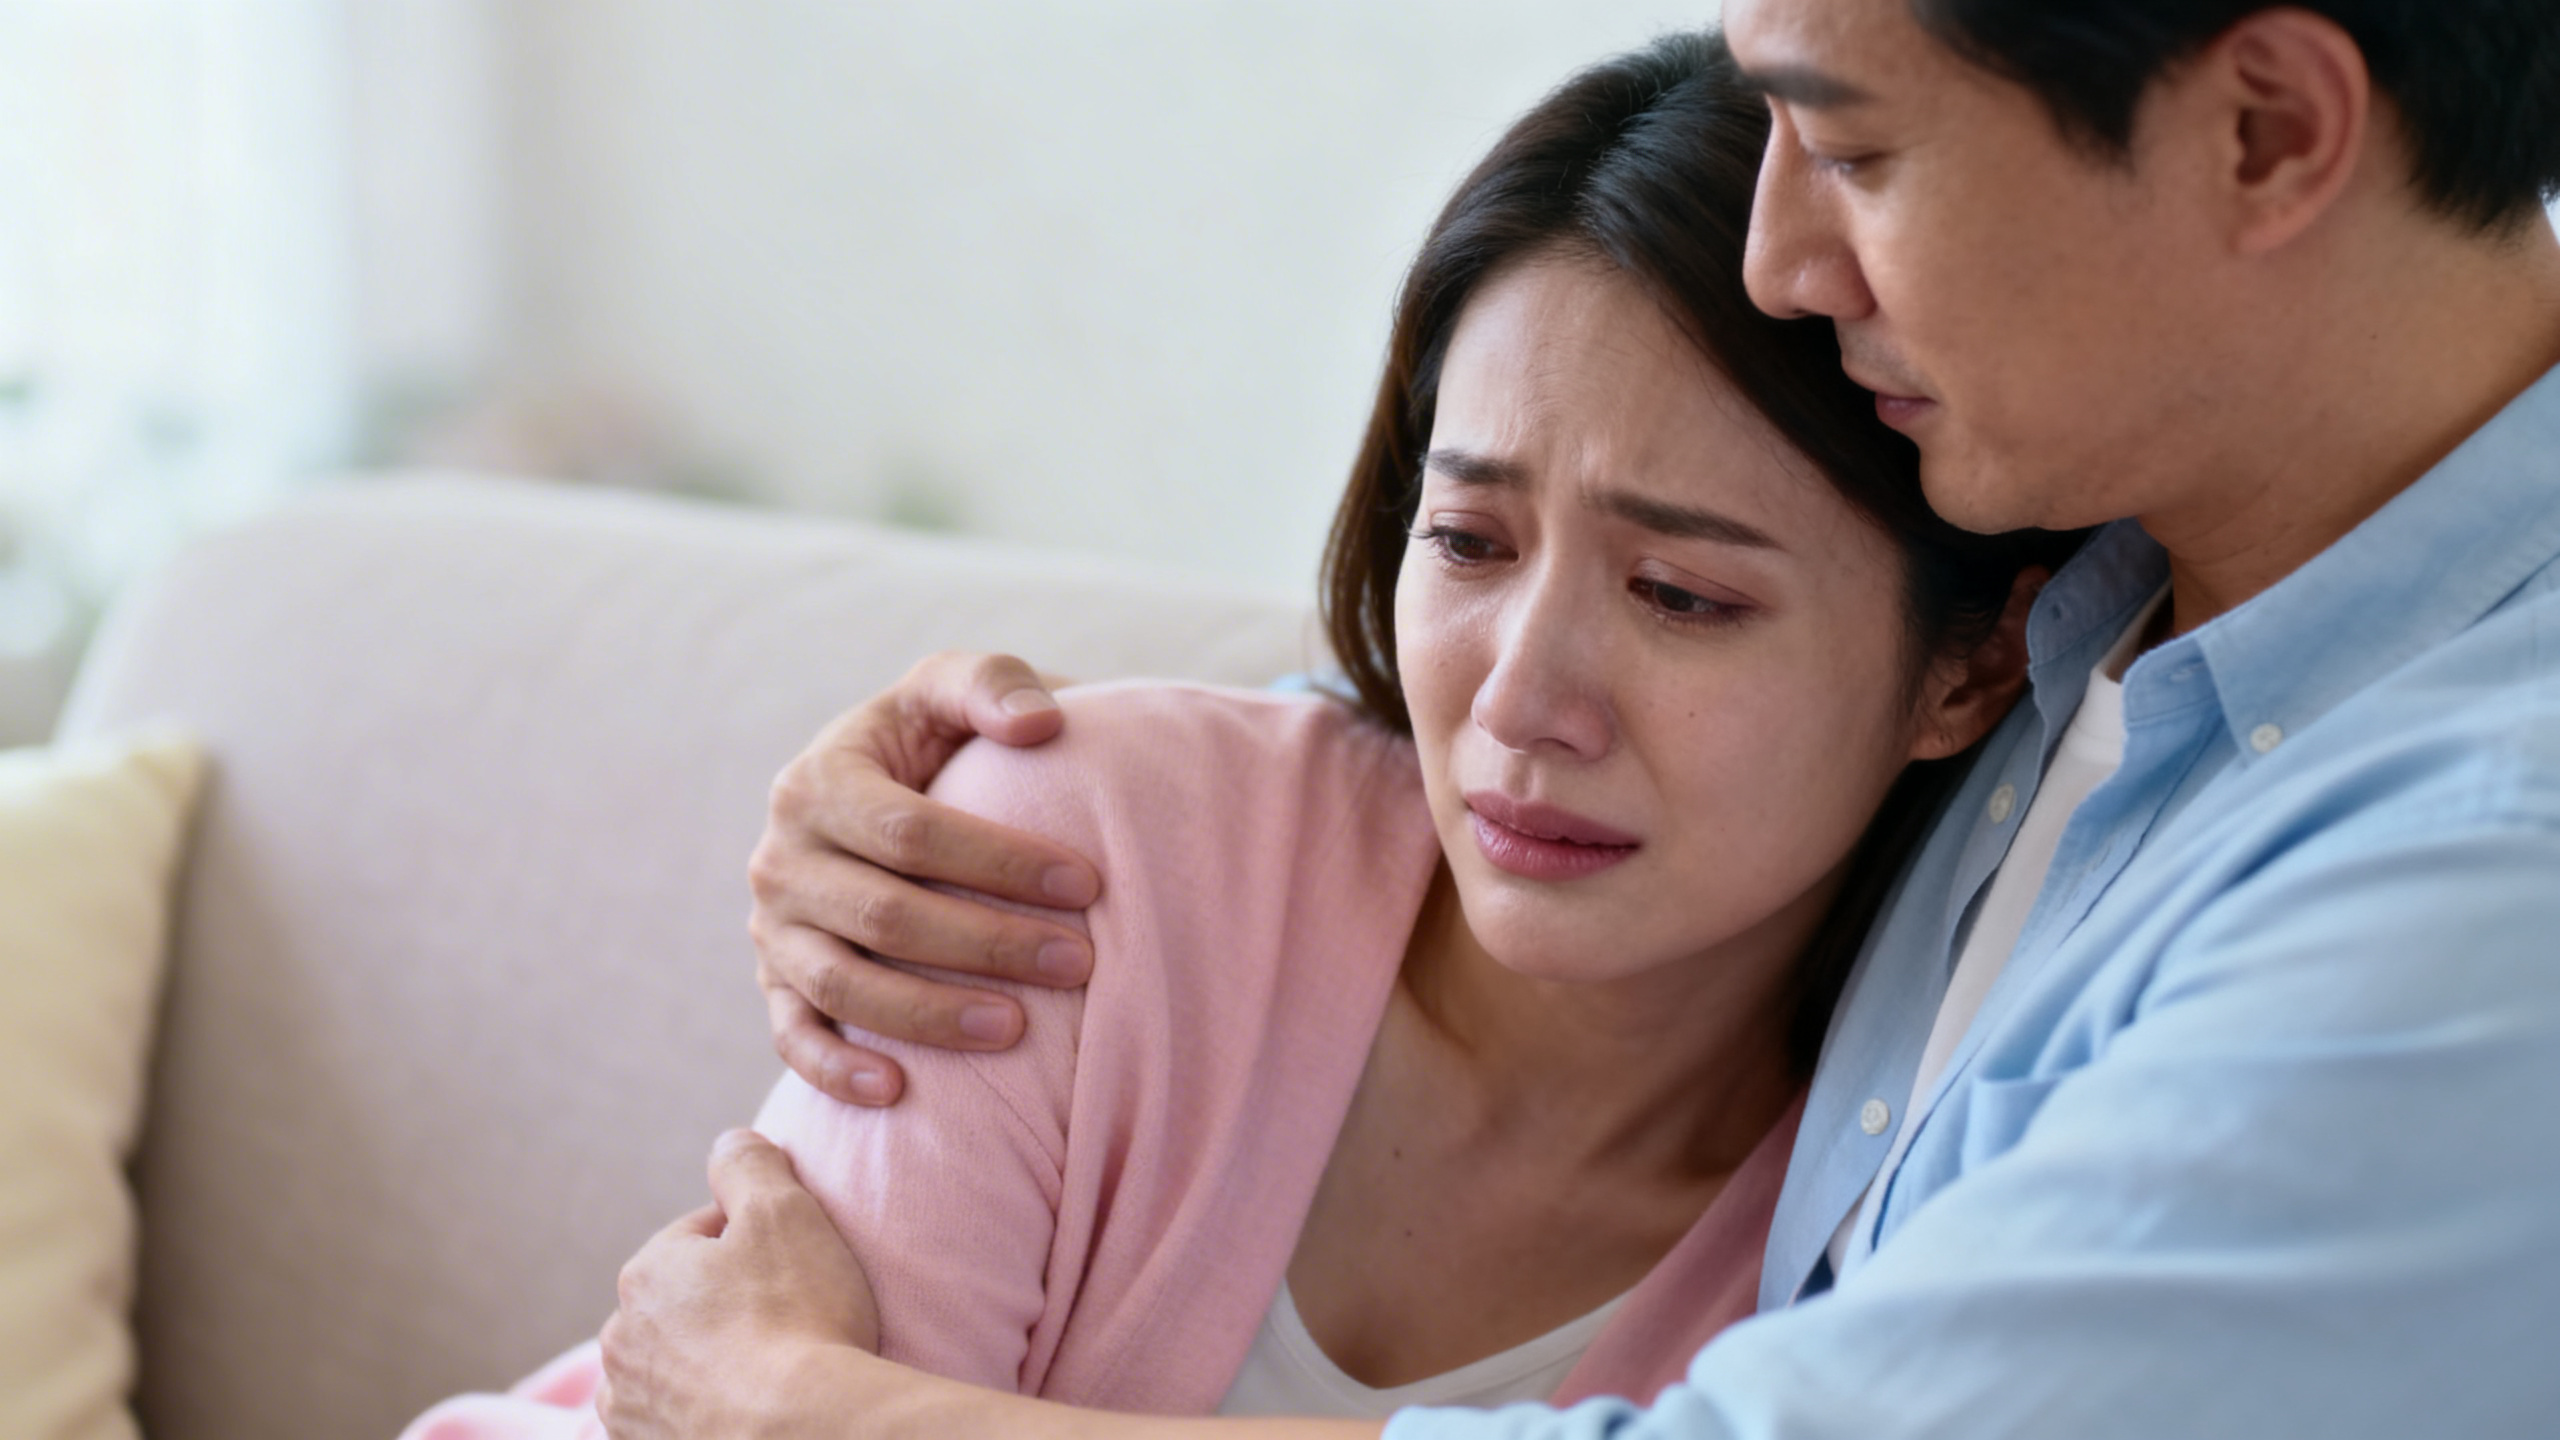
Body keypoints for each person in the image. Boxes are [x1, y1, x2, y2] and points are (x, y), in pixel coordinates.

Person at [601, 0, 2560, 1436]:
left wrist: (796, 1409)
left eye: (1858, 152)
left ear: (2263, 134)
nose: (1785, 260)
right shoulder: (2120, 595)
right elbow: (1531, 726)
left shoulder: (2472, 881)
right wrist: (1081, 801)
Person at [400, 33, 2054, 1440]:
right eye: (1468, 543)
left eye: (1683, 594)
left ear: (1964, 675)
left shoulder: (1884, 1235)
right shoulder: (1067, 860)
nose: (1523, 697)